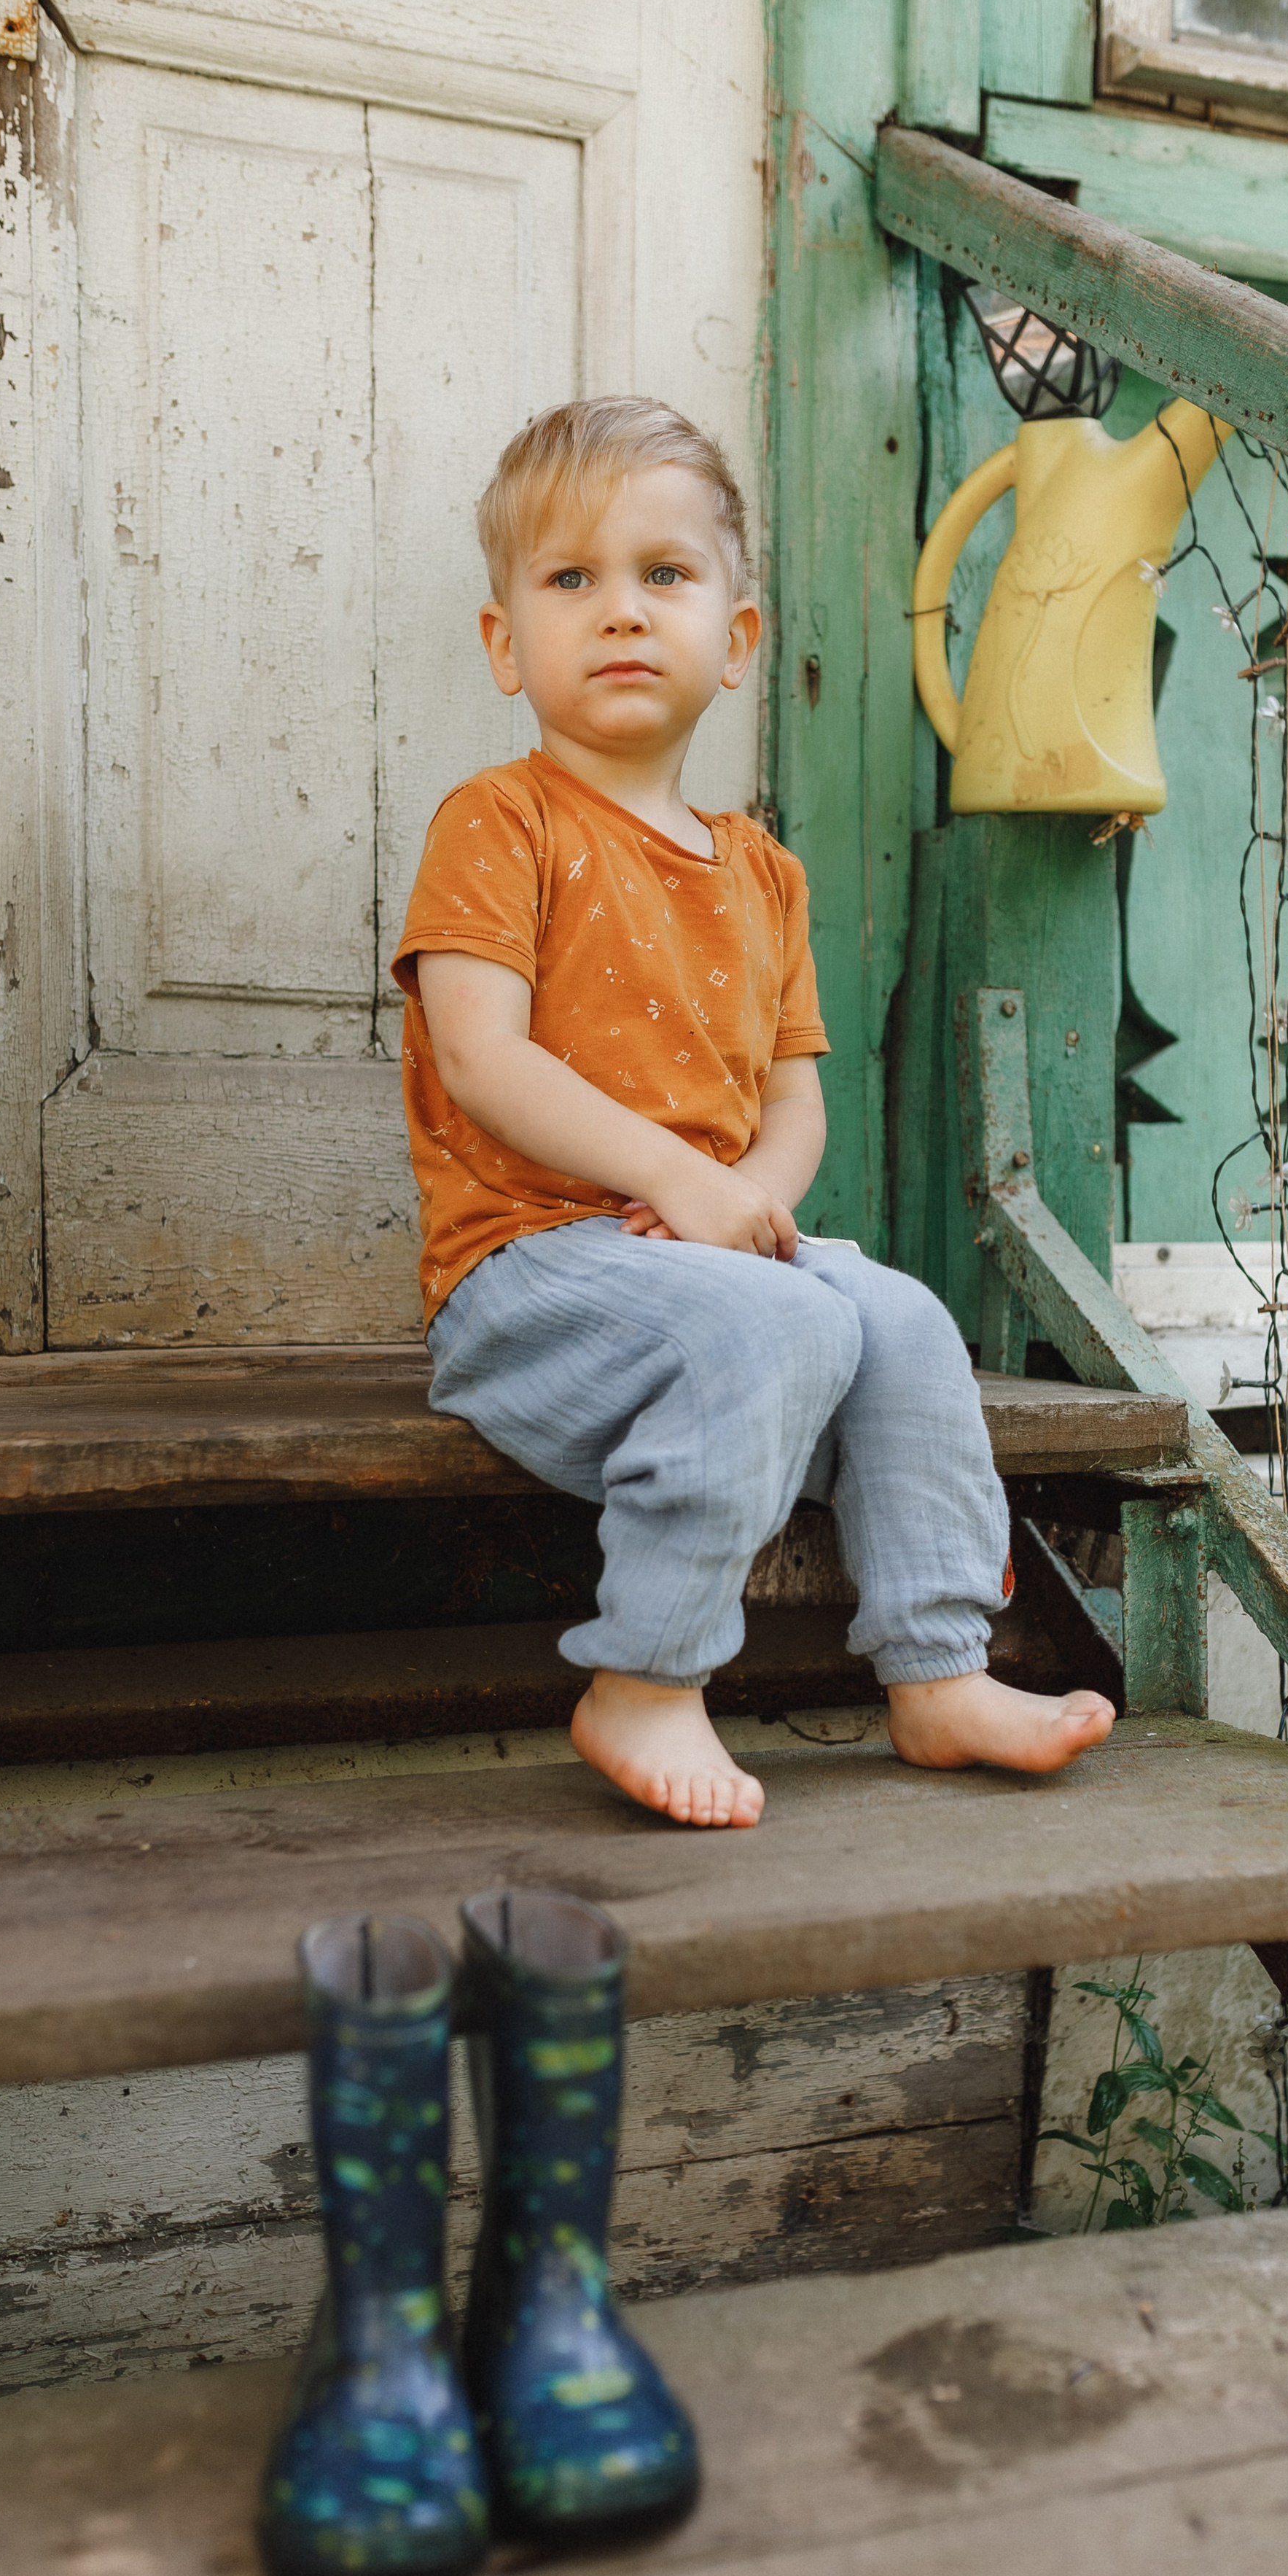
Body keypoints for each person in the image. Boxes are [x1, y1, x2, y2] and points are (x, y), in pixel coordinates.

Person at [393, 397, 1115, 1830]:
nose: (619, 609)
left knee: (903, 1319)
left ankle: (937, 1668)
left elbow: (793, 1103)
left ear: (733, 641)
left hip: (704, 1256)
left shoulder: (761, 874)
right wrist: (682, 1183)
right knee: (781, 1324)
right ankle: (646, 1677)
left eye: (662, 574)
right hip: (528, 1273)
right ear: (504, 643)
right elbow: (481, 1058)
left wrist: (749, 1201)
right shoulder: (500, 821)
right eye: (571, 578)